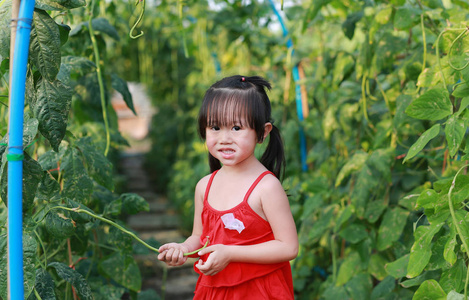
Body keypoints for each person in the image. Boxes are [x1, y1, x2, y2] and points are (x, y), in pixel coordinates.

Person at [157, 75, 298, 299]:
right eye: (215, 127)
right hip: (214, 290)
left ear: (262, 132)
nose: (224, 138)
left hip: (258, 291)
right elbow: (199, 237)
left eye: (236, 127)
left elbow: (288, 247)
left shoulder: (266, 187)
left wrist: (230, 253)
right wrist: (183, 248)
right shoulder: (205, 186)